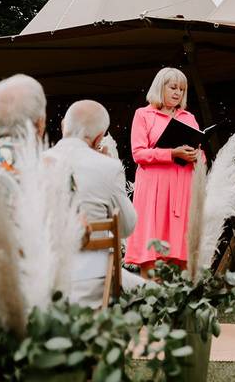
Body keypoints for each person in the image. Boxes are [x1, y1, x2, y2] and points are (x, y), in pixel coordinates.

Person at [45, 100, 144, 306]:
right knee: (153, 292)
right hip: (94, 284)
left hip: (42, 284)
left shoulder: (36, 161)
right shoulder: (108, 167)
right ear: (99, 137)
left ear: (64, 125)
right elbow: (126, 227)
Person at [124, 68, 202, 275]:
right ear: (161, 87)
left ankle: (178, 297)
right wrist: (171, 152)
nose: (177, 93)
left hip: (182, 189)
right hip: (154, 190)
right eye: (173, 87)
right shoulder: (143, 114)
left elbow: (200, 153)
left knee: (180, 251)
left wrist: (196, 156)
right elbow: (138, 154)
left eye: (182, 89)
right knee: (152, 248)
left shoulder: (188, 117)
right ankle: (150, 293)